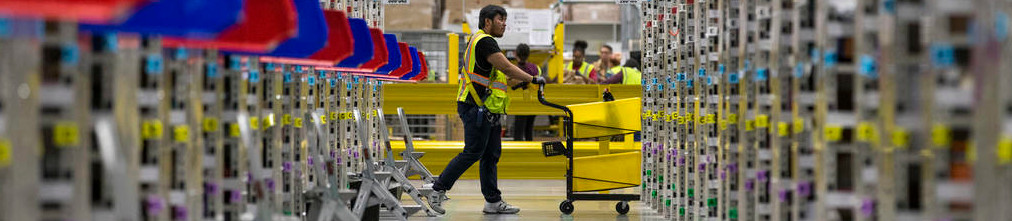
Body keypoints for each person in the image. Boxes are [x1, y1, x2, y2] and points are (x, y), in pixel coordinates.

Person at [423, 5, 546, 215]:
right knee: (473, 152)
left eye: (505, 19)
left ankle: (492, 201)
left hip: (487, 108)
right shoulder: (484, 41)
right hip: (475, 107)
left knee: (490, 155)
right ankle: (437, 189)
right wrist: (533, 78)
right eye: (500, 19)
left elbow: (500, 77)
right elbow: (506, 66)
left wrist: (519, 81)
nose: (504, 23)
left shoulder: (484, 42)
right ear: (487, 22)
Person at [511, 43, 539, 141]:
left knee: (518, 132)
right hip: (533, 103)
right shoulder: (535, 67)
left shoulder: (513, 69)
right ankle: (530, 151)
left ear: (515, 54)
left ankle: (518, 153)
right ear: (528, 54)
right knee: (529, 130)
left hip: (520, 103)